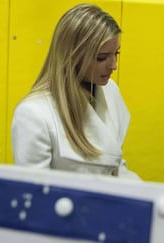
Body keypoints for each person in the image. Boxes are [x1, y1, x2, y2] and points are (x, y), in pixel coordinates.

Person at [11, 3, 139, 179]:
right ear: (73, 56)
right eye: (101, 58)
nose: (113, 65)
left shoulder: (110, 90)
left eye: (116, 54)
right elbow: (37, 193)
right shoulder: (33, 114)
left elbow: (114, 165)